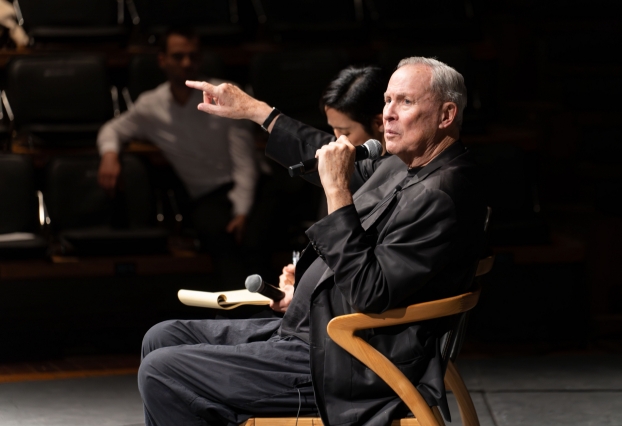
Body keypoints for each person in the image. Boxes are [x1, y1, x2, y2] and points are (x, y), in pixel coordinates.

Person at [139, 57, 486, 426]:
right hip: (314, 330)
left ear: (446, 114)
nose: (388, 113)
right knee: (161, 337)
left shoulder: (443, 195)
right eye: (387, 100)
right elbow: (330, 153)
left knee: (163, 370)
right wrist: (256, 112)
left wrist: (336, 190)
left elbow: (370, 292)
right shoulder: (406, 163)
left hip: (350, 362)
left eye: (405, 102)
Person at [96, 27, 258, 284]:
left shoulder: (224, 95)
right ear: (162, 60)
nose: (186, 63)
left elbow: (245, 162)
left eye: (193, 56)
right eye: (178, 56)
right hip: (207, 195)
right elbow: (113, 128)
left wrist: (242, 210)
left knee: (253, 237)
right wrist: (109, 155)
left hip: (251, 187)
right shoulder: (151, 105)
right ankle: (244, 316)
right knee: (216, 232)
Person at [278, 65, 389, 294]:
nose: (336, 142)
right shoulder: (348, 163)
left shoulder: (396, 179)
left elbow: (365, 280)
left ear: (380, 122)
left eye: (345, 132)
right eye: (333, 130)